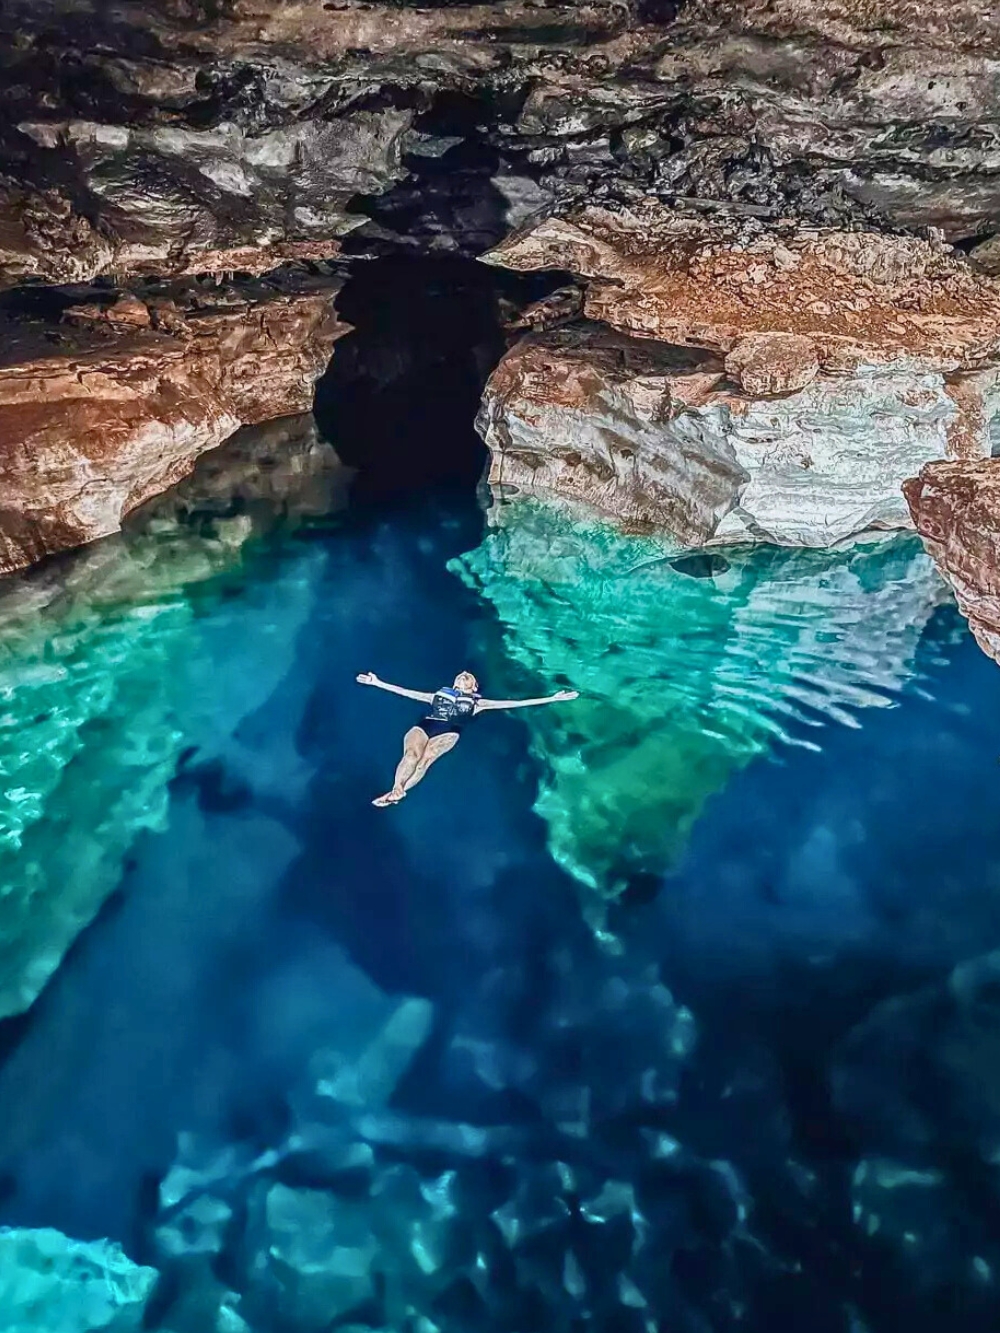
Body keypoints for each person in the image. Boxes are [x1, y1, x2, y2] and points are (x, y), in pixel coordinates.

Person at [356, 669, 578, 807]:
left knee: (426, 759)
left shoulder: (479, 704)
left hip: (449, 732)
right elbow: (408, 692)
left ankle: (396, 793)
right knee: (412, 754)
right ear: (454, 685)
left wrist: (553, 698)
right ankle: (397, 787)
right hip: (426, 724)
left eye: (468, 677)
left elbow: (515, 703)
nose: (464, 674)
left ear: (474, 687)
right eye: (461, 675)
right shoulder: (437, 695)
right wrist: (378, 682)